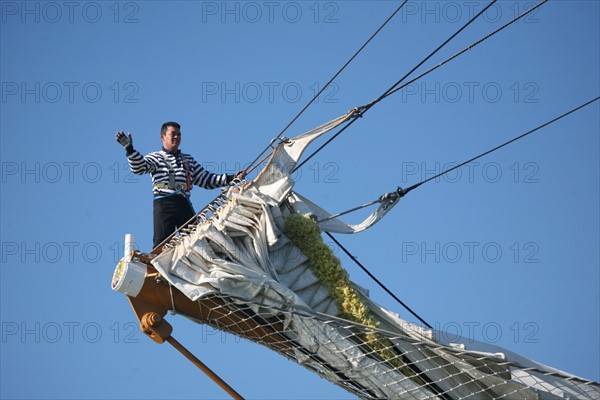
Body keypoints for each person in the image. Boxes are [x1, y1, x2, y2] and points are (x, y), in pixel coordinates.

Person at [116, 122, 243, 248]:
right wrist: (129, 149)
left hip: (184, 203)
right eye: (173, 134)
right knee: (162, 244)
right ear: (163, 137)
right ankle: (158, 266)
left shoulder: (188, 160)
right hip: (164, 203)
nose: (176, 137)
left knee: (197, 240)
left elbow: (207, 179)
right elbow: (139, 167)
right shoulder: (156, 157)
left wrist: (232, 178)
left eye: (179, 134)